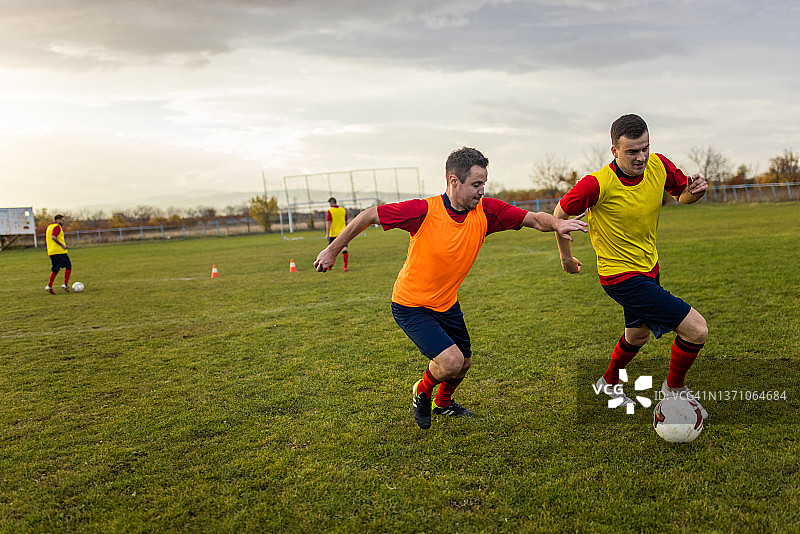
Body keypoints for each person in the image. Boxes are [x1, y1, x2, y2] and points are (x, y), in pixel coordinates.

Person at [315, 147, 588, 429]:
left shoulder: (488, 211)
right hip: (411, 305)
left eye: (484, 184)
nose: (481, 191)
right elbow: (369, 215)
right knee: (451, 361)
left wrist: (557, 222)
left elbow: (533, 219)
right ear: (453, 181)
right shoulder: (423, 211)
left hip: (446, 304)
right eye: (475, 184)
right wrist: (333, 249)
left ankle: (442, 404)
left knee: (465, 363)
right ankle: (422, 391)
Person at [553, 114, 710, 418]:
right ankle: (674, 389)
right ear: (614, 151)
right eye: (632, 151)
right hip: (620, 276)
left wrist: (696, 191)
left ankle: (609, 382)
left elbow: (681, 195)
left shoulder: (659, 165)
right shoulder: (595, 184)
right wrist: (566, 256)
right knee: (696, 330)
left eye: (645, 148)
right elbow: (559, 214)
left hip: (649, 267)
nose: (641, 157)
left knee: (637, 335)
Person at [45, 214, 72, 294]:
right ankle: (65, 284)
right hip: (59, 251)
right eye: (62, 220)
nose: (63, 222)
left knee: (56, 268)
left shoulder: (49, 227)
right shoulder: (57, 227)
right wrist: (62, 245)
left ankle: (49, 286)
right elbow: (53, 237)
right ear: (57, 220)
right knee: (68, 266)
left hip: (51, 251)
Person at [325, 197, 349, 271]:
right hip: (343, 233)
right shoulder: (342, 210)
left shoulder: (330, 211)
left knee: (330, 251)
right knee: (344, 249)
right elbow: (346, 221)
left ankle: (329, 267)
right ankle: (345, 267)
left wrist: (327, 234)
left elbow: (328, 223)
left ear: (331, 203)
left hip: (333, 234)